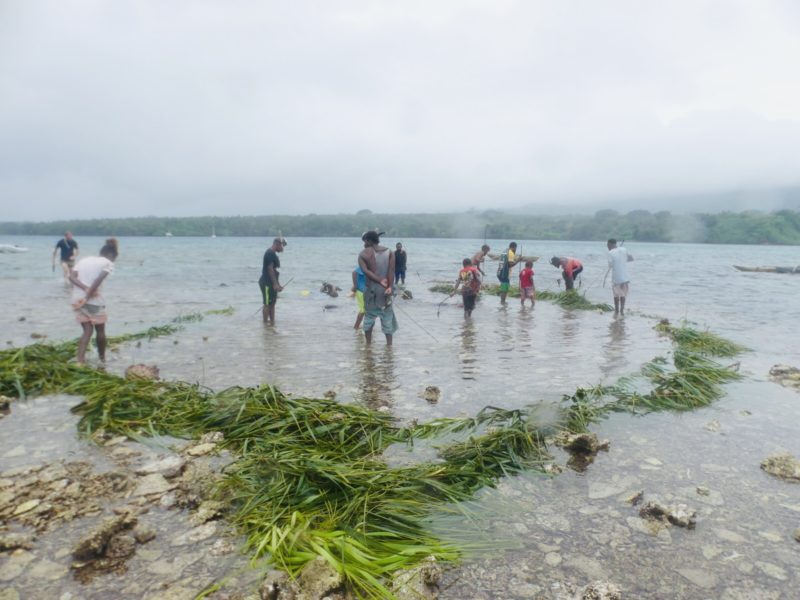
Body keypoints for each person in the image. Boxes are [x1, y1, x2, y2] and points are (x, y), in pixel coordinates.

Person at [69, 238, 118, 364]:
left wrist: (85, 289)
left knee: (87, 330)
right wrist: (88, 294)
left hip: (76, 298)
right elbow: (99, 279)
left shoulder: (84, 260)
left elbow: (71, 277)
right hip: (93, 300)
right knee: (100, 330)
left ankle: (80, 360)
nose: (113, 261)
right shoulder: (108, 263)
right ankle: (102, 359)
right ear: (110, 255)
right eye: (114, 259)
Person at [358, 231, 397, 345]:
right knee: (387, 318)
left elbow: (366, 271)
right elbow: (391, 271)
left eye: (365, 241)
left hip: (371, 292)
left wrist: (379, 280)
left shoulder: (363, 254)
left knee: (369, 319)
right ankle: (389, 348)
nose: (364, 244)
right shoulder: (390, 252)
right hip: (386, 292)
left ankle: (368, 346)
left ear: (369, 241)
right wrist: (389, 286)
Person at [259, 237, 286, 325]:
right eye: (282, 246)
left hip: (272, 283)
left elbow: (274, 271)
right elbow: (270, 269)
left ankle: (272, 323)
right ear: (277, 244)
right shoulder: (269, 253)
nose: (283, 248)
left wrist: (278, 284)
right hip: (266, 283)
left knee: (273, 303)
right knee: (267, 304)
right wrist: (275, 284)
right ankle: (265, 325)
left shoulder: (273, 254)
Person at [604, 238, 634, 316]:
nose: (607, 247)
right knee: (623, 294)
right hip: (625, 277)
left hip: (616, 278)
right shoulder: (624, 249)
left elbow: (610, 265)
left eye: (607, 245)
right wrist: (621, 259)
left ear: (610, 244)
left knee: (616, 295)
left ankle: (617, 311)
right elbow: (631, 259)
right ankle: (622, 311)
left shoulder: (610, 253)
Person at [351, 265, 367, 330]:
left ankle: (365, 326)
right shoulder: (365, 265)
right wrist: (355, 285)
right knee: (363, 310)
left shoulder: (371, 266)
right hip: (361, 291)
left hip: (367, 291)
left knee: (367, 310)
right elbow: (354, 272)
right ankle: (356, 326)